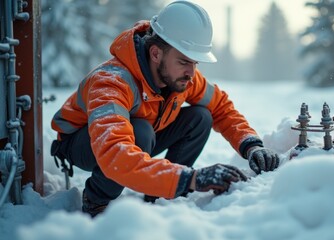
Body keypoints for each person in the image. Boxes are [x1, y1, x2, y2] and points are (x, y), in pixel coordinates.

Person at [50, 0, 279, 217]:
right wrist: (191, 179)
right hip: (85, 143)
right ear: (156, 53)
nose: (191, 72)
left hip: (137, 137)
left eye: (195, 63)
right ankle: (96, 201)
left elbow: (221, 107)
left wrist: (251, 145)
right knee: (140, 131)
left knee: (200, 117)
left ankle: (159, 195)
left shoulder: (182, 77)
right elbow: (114, 152)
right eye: (184, 61)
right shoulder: (111, 82)